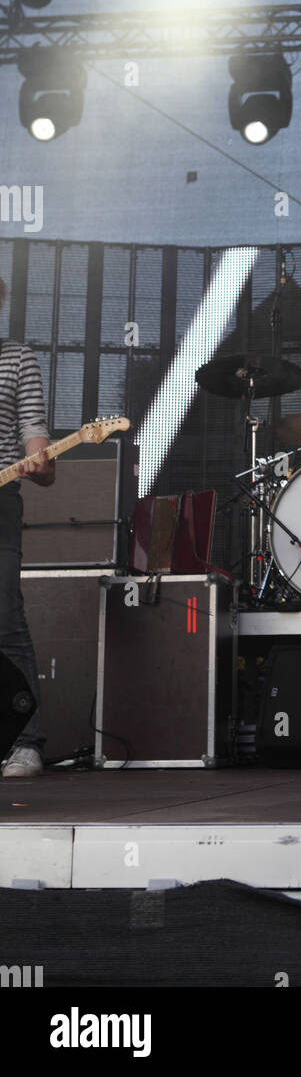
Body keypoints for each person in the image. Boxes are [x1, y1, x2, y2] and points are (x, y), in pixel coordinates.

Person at [0, 277, 55, 778]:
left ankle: (26, 742)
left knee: (5, 619)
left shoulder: (19, 359)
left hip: (1, 500)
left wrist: (39, 460)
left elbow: (37, 441)